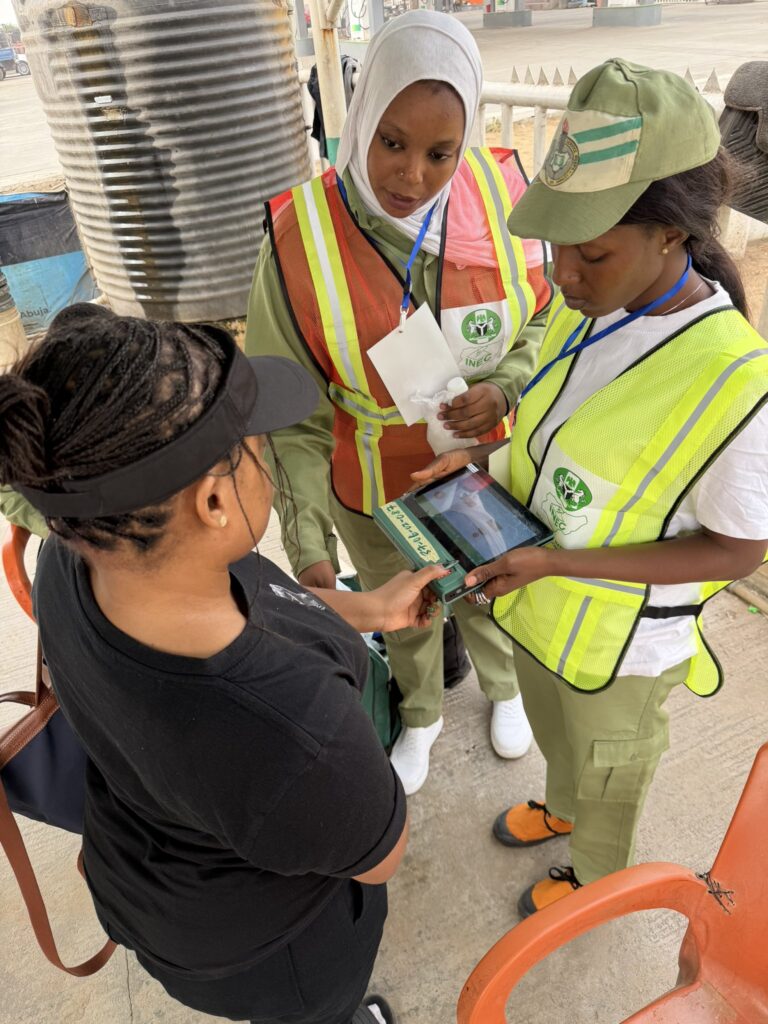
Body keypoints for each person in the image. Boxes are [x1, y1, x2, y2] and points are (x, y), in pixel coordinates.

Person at [0, 304, 449, 1024]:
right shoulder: (298, 731)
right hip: (275, 951)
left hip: (149, 888)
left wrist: (369, 611)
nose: (266, 455)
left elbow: (264, 606)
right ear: (213, 500)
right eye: (255, 446)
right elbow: (378, 857)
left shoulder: (81, 559)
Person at [411, 59, 768, 916]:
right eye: (558, 244)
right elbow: (565, 438)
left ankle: (597, 871)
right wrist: (484, 465)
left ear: (675, 234)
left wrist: (562, 568)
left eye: (593, 250)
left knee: (611, 757)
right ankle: (561, 805)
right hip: (539, 611)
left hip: (620, 646)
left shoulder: (735, 382)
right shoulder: (588, 308)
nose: (563, 275)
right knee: (559, 730)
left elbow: (741, 547)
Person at [245, 11, 553, 795]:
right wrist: (308, 544)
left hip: (479, 459)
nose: (413, 175)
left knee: (486, 584)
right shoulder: (299, 237)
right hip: (374, 476)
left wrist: (506, 382)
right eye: (392, 142)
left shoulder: (505, 198)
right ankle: (422, 715)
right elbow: (291, 415)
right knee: (407, 606)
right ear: (361, 115)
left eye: (440, 152)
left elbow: (550, 313)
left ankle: (504, 689)